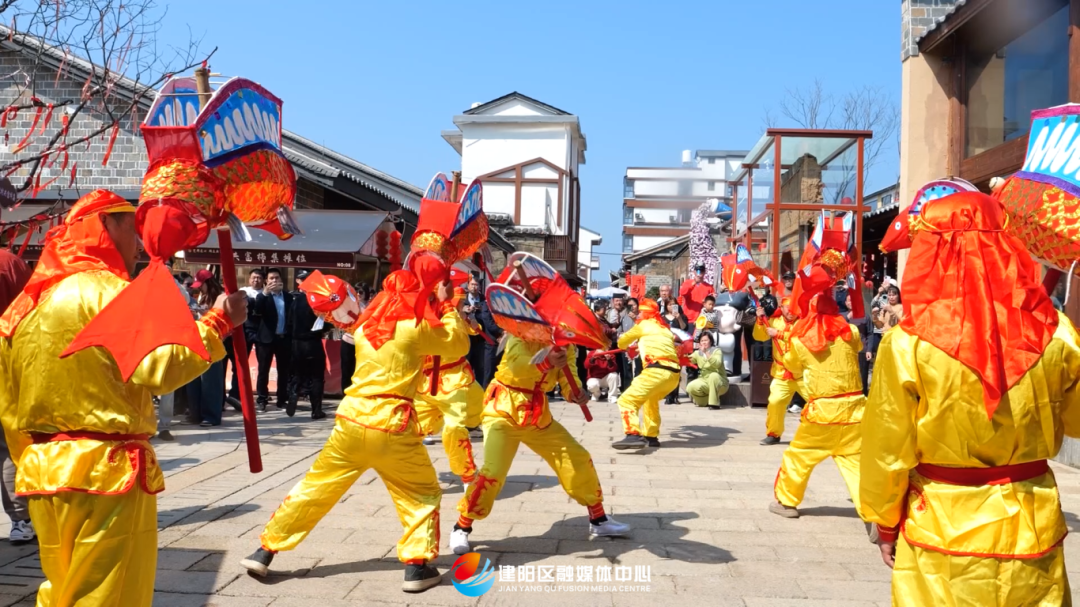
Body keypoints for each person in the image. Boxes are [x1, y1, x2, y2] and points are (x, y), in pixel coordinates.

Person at [0, 190, 245, 606]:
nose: (138, 245)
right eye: (132, 229)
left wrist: (32, 461)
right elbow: (161, 368)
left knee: (61, 590)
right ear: (105, 226)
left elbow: (9, 405)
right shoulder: (113, 292)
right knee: (108, 594)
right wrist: (218, 322)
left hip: (43, 470)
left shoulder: (23, 308)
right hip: (107, 470)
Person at [859, 191, 1078, 606]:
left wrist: (884, 521)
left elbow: (887, 445)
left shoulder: (907, 344)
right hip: (1030, 524)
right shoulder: (1057, 334)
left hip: (943, 528)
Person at [241, 267, 468, 593]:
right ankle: (417, 566)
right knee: (420, 494)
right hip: (392, 424)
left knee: (316, 488)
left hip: (351, 421)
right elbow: (458, 344)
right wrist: (446, 305)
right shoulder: (414, 328)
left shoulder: (364, 328)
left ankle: (265, 550)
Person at [449, 334, 630, 556]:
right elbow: (516, 368)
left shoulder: (567, 345)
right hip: (503, 411)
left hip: (537, 415)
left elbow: (568, 377)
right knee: (493, 473)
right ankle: (461, 526)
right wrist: (546, 362)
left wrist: (575, 393)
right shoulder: (521, 334)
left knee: (576, 456)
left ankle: (598, 518)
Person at [769, 248, 865, 520]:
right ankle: (873, 511)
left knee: (799, 456)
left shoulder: (800, 341)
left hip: (823, 413)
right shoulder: (850, 332)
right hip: (856, 410)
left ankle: (786, 502)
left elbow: (792, 365)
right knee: (856, 462)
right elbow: (857, 345)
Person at [414, 287, 484, 482]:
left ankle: (468, 473)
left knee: (455, 428)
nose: (461, 306)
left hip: (454, 379)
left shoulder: (454, 317)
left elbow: (465, 339)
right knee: (410, 430)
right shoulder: (420, 317)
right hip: (426, 382)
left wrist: (471, 322)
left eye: (461, 303)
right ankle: (415, 472)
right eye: (459, 303)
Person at [612, 299, 681, 450]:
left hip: (656, 370)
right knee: (650, 399)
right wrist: (640, 346)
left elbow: (622, 342)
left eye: (641, 312)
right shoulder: (665, 329)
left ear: (646, 313)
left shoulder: (642, 325)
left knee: (626, 399)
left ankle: (633, 434)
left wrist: (626, 344)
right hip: (674, 374)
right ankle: (651, 435)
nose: (638, 314)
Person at [0, 249, 32, 544]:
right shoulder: (10, 262)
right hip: (8, 360)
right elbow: (30, 311)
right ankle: (21, 519)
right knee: (11, 444)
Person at [754, 297, 801, 445]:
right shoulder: (774, 321)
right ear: (782, 308)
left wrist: (779, 334)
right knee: (775, 402)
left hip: (803, 373)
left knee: (818, 401)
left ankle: (826, 435)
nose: (791, 311)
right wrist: (760, 319)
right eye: (788, 308)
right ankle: (773, 434)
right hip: (782, 372)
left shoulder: (803, 323)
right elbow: (760, 336)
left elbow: (802, 340)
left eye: (794, 308)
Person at [187, 270, 228, 427]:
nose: (199, 288)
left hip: (213, 343)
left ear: (209, 283)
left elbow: (226, 321)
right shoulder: (201, 296)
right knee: (194, 380)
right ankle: (195, 414)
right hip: (198, 341)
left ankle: (211, 416)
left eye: (201, 285)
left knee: (211, 382)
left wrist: (207, 314)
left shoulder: (221, 298)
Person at [289, 270, 329, 419]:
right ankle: (316, 410)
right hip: (313, 342)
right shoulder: (319, 301)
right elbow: (326, 323)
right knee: (317, 377)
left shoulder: (296, 300)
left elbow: (289, 322)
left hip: (297, 343)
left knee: (298, 373)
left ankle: (294, 391)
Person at [253, 268, 292, 412]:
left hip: (283, 338)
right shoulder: (262, 296)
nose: (274, 281)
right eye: (271, 278)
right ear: (266, 281)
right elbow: (257, 311)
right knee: (263, 370)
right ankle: (262, 399)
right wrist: (265, 293)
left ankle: (282, 399)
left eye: (277, 278)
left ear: (281, 280)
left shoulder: (288, 297)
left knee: (284, 371)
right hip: (266, 339)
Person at [226, 268, 265, 410]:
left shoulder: (267, 293)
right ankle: (235, 394)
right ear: (249, 279)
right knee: (240, 364)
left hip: (262, 332)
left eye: (259, 278)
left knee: (263, 367)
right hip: (244, 331)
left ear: (263, 280)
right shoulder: (243, 292)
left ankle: (262, 397)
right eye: (254, 277)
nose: (256, 280)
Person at [686, 332, 727, 409]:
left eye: (706, 340)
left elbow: (717, 364)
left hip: (719, 381)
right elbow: (688, 360)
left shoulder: (717, 351)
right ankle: (706, 401)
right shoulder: (697, 353)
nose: (704, 342)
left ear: (711, 341)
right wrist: (682, 353)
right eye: (702, 341)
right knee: (690, 387)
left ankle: (714, 404)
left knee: (713, 376)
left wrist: (706, 352)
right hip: (705, 380)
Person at [662, 302, 689, 404]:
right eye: (669, 304)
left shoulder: (681, 316)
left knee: (677, 371)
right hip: (666, 346)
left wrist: (679, 318)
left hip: (678, 347)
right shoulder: (662, 317)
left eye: (673, 304)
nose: (671, 306)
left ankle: (675, 396)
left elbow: (684, 328)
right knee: (667, 371)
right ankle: (669, 395)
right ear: (666, 306)